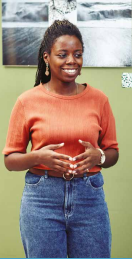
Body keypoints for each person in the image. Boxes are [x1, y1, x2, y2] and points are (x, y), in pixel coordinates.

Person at [2, 20, 119, 258]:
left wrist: (101, 156)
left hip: (89, 197)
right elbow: (10, 160)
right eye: (62, 54)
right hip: (41, 199)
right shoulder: (27, 101)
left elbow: (113, 153)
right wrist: (37, 157)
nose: (71, 61)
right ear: (47, 57)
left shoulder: (99, 100)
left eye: (77, 54)